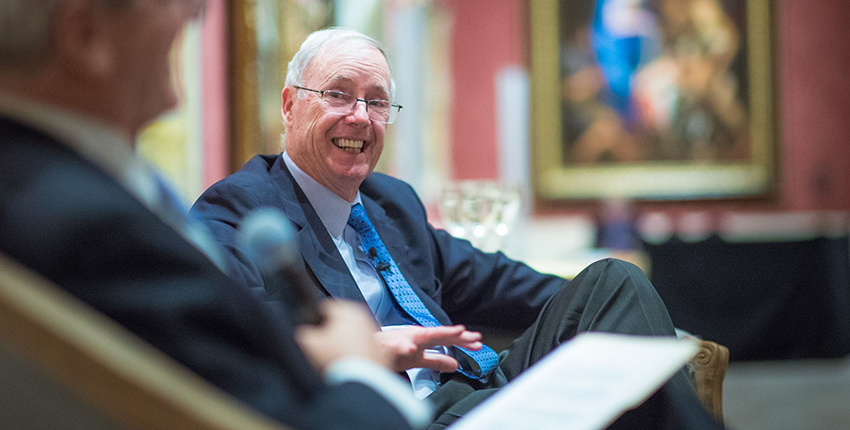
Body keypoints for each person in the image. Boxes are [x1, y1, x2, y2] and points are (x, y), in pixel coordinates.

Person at [192, 27, 724, 429]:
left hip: (476, 388)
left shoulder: (387, 201)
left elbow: (495, 280)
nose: (360, 116)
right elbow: (231, 343)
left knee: (614, 280)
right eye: (338, 94)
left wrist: (638, 326)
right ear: (290, 105)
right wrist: (369, 350)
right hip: (401, 415)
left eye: (376, 101)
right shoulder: (241, 213)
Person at [0, 2, 432, 429]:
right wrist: (360, 368)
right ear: (85, 36)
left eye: (376, 102)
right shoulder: (89, 233)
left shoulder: (68, 187)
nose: (194, 12)